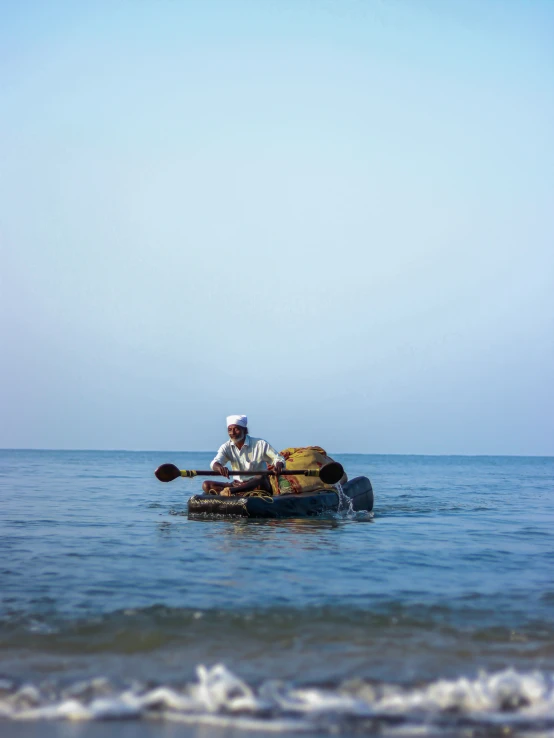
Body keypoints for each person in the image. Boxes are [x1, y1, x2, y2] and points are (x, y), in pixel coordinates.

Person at [204, 415, 285, 496]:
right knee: (206, 485)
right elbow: (214, 463)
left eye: (236, 429)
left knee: (261, 476)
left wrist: (278, 465)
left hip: (258, 485)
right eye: (230, 430)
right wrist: (219, 467)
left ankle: (231, 492)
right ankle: (229, 491)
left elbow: (279, 459)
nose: (233, 433)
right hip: (237, 484)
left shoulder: (260, 444)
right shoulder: (226, 447)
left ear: (245, 430)